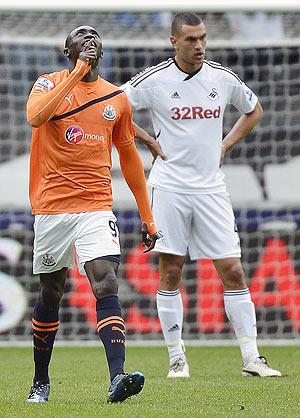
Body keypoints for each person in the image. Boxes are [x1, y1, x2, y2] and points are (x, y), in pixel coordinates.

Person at [122, 13, 282, 378]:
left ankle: (251, 358)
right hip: (170, 188)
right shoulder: (155, 81)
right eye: (191, 39)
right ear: (173, 42)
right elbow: (110, 107)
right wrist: (145, 137)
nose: (199, 46)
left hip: (211, 188)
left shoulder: (221, 79)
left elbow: (253, 110)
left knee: (233, 269)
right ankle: (177, 359)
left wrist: (226, 143)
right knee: (171, 271)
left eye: (203, 39)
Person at [26, 25, 159, 404]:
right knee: (51, 291)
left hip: (96, 206)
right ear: (66, 49)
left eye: (94, 34)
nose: (89, 37)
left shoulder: (116, 98)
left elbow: (130, 159)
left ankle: (117, 377)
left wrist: (147, 216)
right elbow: (36, 117)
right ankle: (40, 381)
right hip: (52, 207)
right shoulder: (48, 83)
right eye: (80, 35)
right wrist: (76, 75)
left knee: (105, 280)